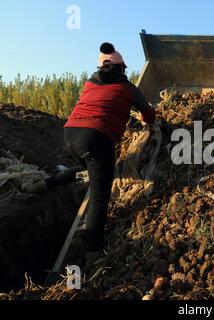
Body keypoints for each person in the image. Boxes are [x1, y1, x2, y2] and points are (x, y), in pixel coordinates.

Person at [26, 43, 156, 250]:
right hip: (96, 138)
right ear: (121, 68)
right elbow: (149, 115)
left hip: (70, 134)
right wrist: (144, 115)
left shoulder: (90, 83)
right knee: (99, 195)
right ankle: (92, 247)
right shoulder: (128, 88)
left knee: (88, 169)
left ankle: (43, 185)